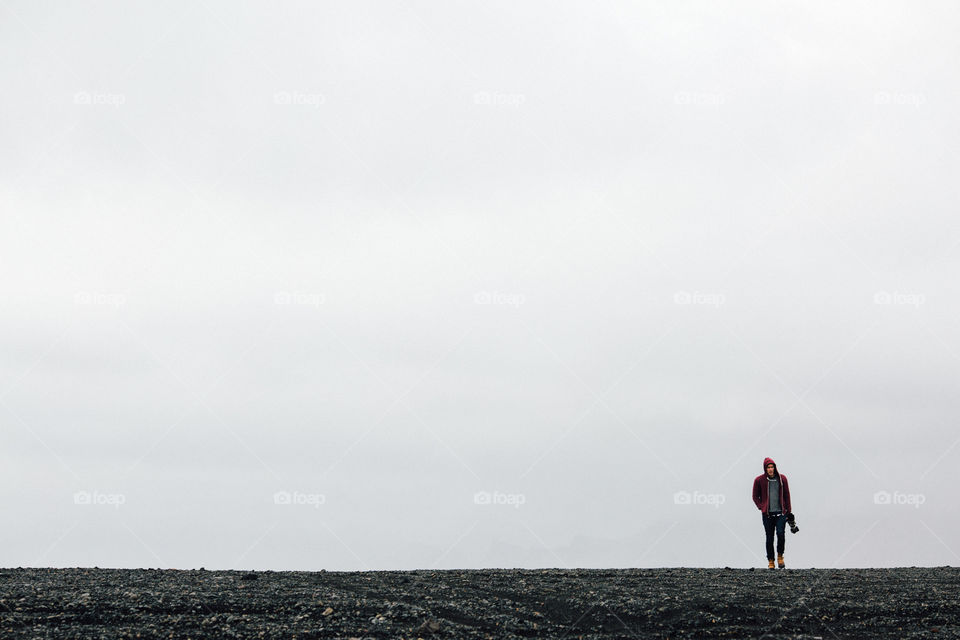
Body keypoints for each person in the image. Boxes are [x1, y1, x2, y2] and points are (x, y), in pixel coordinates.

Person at [752, 457, 792, 569]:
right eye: (768, 467)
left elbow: (787, 495)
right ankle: (771, 561)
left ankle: (780, 556)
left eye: (772, 467)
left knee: (781, 534)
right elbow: (755, 496)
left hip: (781, 513)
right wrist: (761, 506)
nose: (770, 469)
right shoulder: (759, 480)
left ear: (775, 467)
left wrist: (789, 511)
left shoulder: (782, 479)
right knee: (769, 538)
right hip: (767, 514)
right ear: (765, 468)